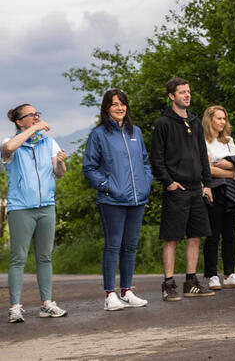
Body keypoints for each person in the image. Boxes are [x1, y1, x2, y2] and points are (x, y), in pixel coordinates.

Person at [83, 89, 154, 311]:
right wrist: (106, 187)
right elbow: (90, 167)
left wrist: (145, 182)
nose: (119, 108)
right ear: (106, 108)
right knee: (113, 246)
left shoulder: (137, 133)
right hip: (112, 200)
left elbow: (144, 162)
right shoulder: (99, 135)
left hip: (136, 199)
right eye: (114, 104)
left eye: (122, 103)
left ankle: (126, 292)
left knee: (130, 246)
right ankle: (109, 295)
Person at [150, 77, 215, 301]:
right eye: (182, 92)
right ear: (172, 96)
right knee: (172, 238)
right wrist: (168, 182)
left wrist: (207, 184)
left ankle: (191, 282)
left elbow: (202, 155)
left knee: (195, 236)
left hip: (197, 188)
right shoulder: (164, 123)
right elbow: (156, 159)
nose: (187, 95)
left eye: (188, 92)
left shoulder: (195, 121)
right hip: (176, 189)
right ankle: (168, 284)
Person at [3, 104, 68, 323]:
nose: (36, 117)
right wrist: (34, 128)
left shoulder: (48, 142)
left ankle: (47, 304)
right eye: (31, 115)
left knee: (45, 257)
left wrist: (60, 163)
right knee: (18, 258)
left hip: (46, 206)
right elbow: (8, 147)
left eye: (37, 114)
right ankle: (14, 307)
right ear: (19, 121)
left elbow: (59, 174)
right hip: (20, 208)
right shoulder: (11, 143)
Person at [202, 105, 235, 291]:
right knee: (213, 235)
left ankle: (229, 274)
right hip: (215, 191)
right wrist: (230, 172)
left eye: (224, 118)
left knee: (230, 234)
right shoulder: (203, 141)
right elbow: (207, 169)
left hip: (233, 193)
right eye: (218, 118)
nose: (222, 122)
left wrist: (228, 168)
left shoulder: (229, 141)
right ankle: (212, 275)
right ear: (210, 120)